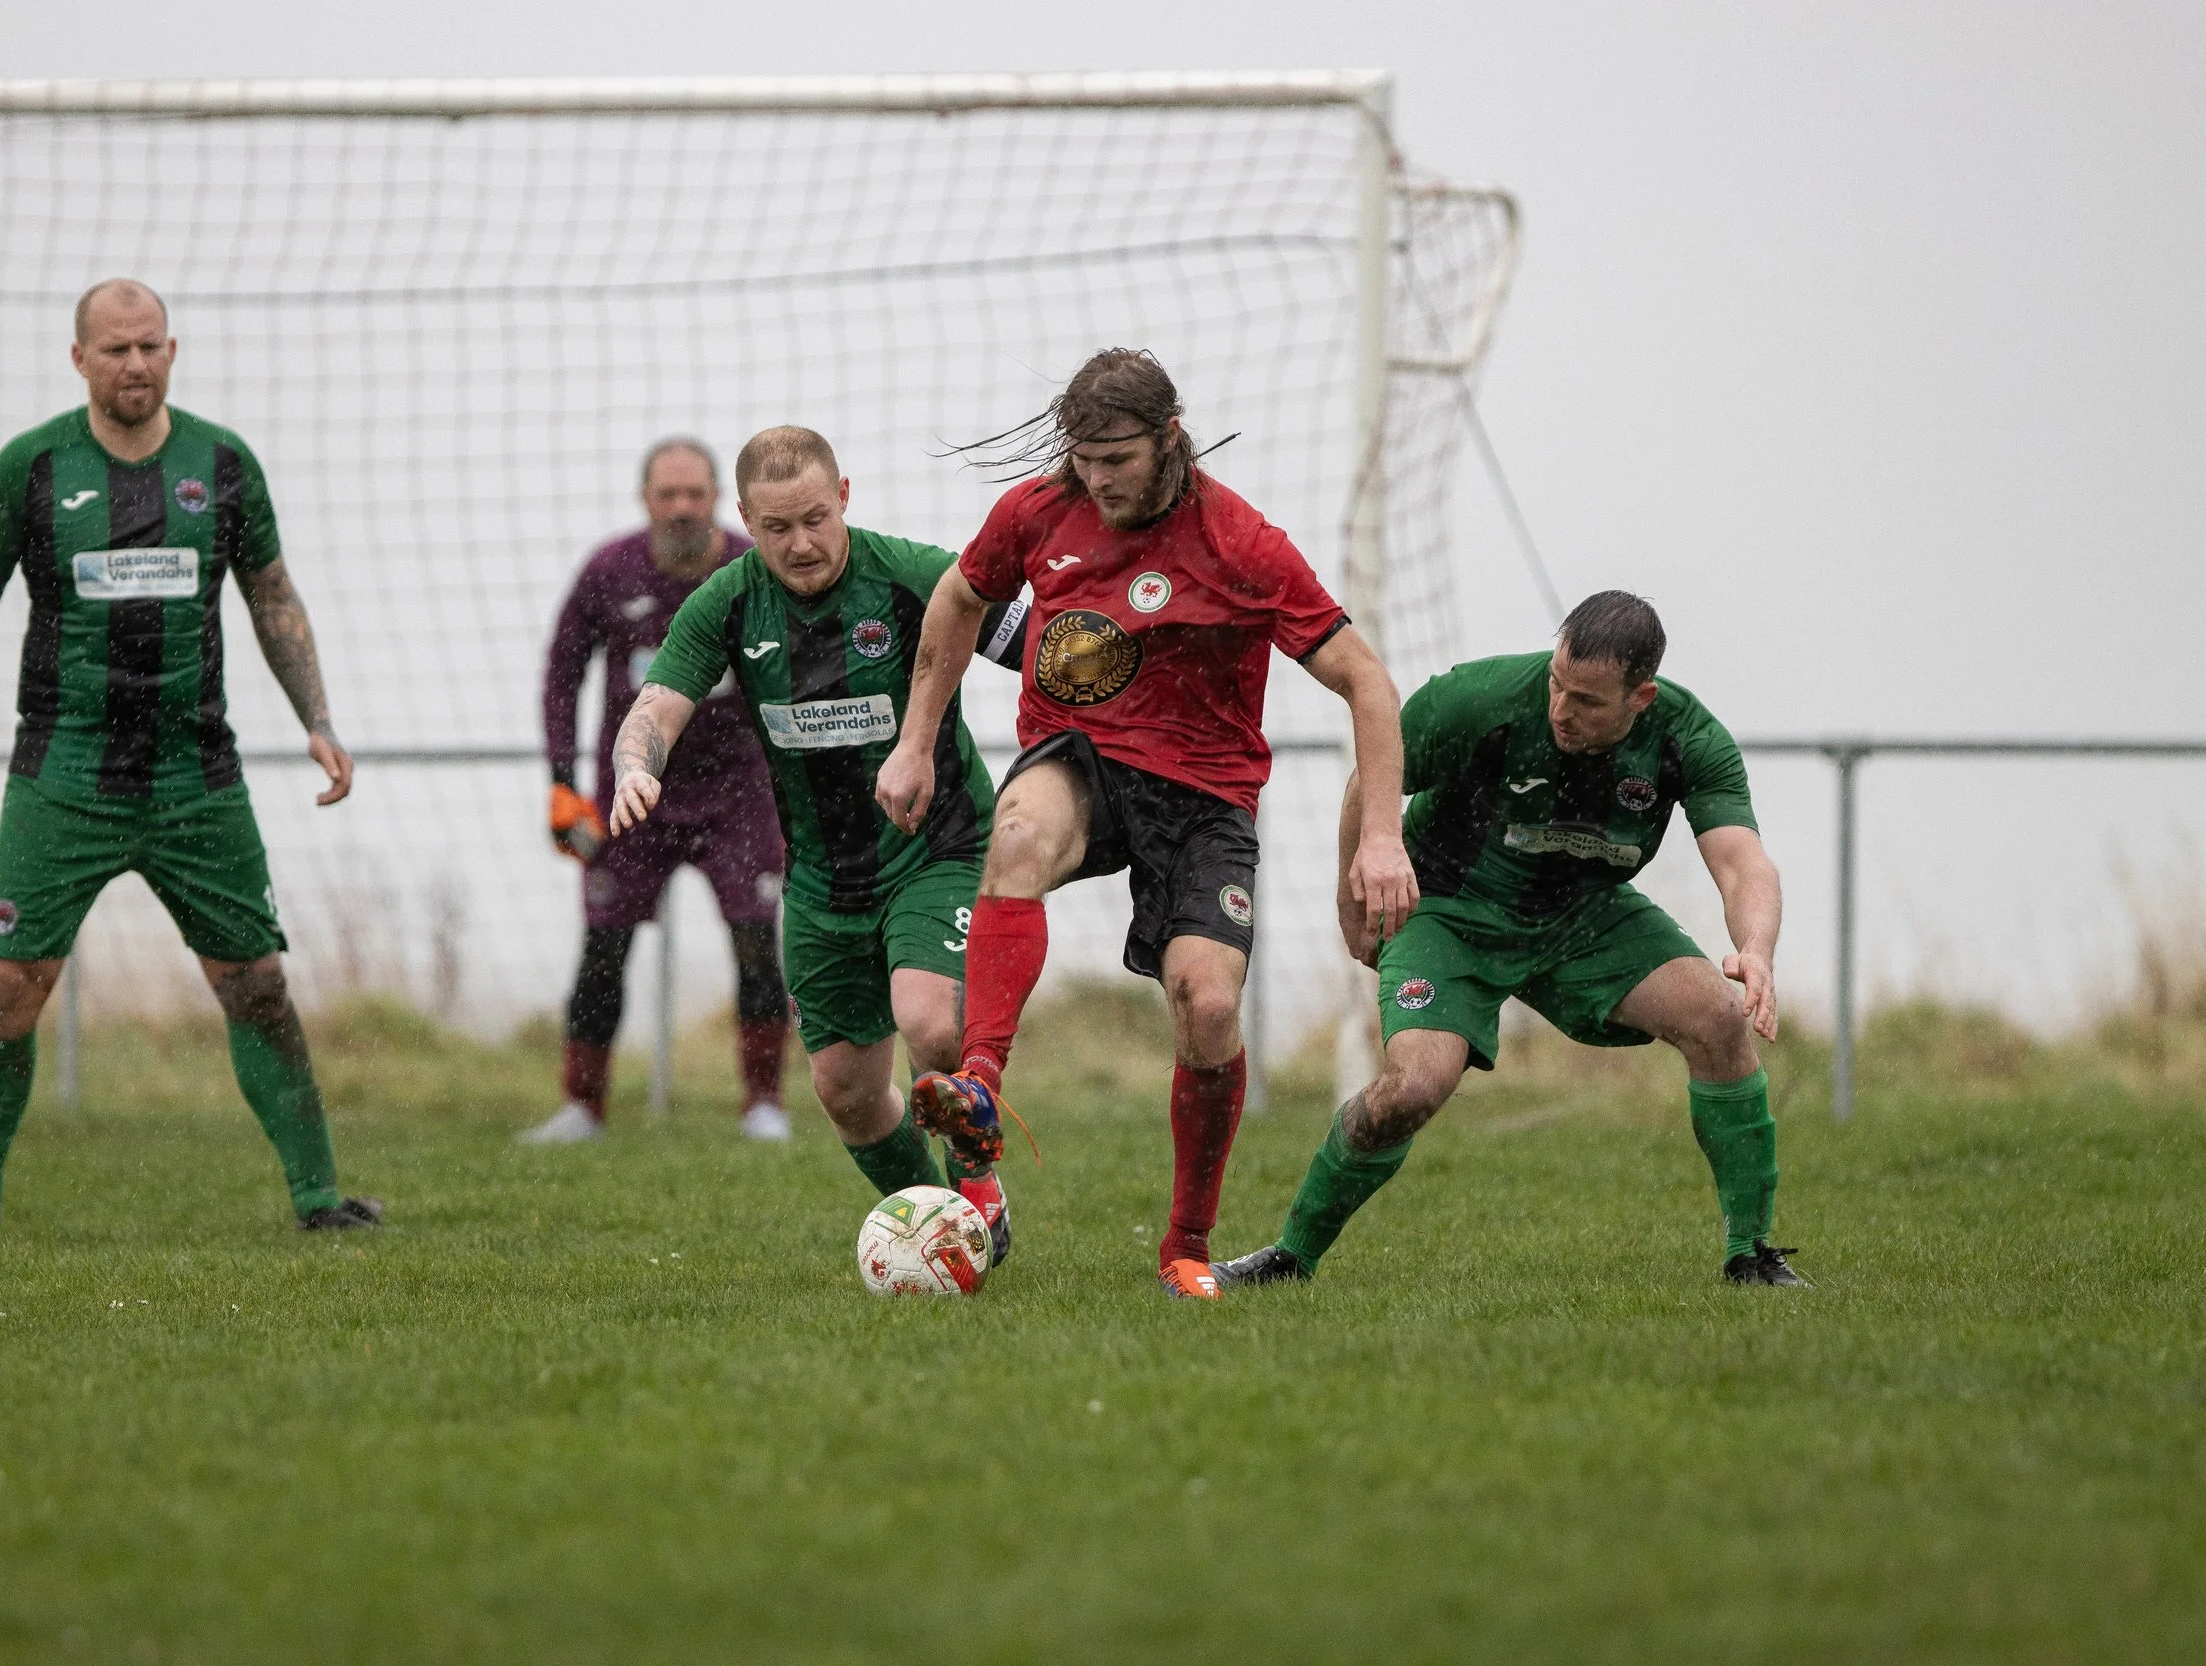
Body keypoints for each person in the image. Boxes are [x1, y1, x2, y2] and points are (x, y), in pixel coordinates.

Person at [877, 348, 1420, 1299]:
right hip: (1080, 757)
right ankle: (981, 1085)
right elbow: (961, 597)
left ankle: (1186, 1243)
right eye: (1082, 458)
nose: (1097, 479)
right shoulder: (1038, 513)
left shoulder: (1243, 542)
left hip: (1204, 793)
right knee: (1017, 838)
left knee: (1208, 1008)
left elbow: (1367, 681)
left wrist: (1381, 836)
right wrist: (917, 740)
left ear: (1169, 437)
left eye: (1116, 458)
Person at [0, 278, 379, 1237]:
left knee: (256, 985)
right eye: (115, 350)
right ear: (80, 360)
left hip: (198, 778)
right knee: (9, 988)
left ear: (173, 350)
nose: (135, 364)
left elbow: (272, 596)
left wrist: (317, 718)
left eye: (149, 345)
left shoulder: (223, 462)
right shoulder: (30, 468)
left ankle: (322, 1201)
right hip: (62, 776)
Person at [1213, 591, 1807, 1289]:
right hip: (1450, 910)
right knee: (1413, 1089)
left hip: (1584, 915)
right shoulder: (1477, 701)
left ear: (1639, 697)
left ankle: (1752, 1257)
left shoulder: (1687, 738)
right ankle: (1290, 1257)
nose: (1561, 709)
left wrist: (1757, 950)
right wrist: (1352, 896)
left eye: (1587, 700)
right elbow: (1370, 781)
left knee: (1719, 1017)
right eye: (1557, 684)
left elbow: (1743, 863)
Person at [608, 425, 1032, 1258]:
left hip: (936, 846)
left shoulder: (912, 574)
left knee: (930, 1021)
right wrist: (635, 767)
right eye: (776, 528)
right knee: (843, 1088)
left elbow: (1042, 644)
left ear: (844, 497)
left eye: (813, 518)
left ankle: (979, 1181)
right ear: (746, 521)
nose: (800, 544)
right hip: (821, 878)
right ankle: (939, 1223)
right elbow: (654, 709)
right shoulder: (727, 601)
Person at [525, 439, 793, 1145]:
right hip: (633, 792)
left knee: (757, 945)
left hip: (740, 793)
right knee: (604, 947)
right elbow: (561, 675)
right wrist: (561, 784)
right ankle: (582, 1107)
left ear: (719, 500)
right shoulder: (608, 572)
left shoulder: (755, 568)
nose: (682, 508)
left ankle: (764, 1103)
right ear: (645, 499)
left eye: (695, 494)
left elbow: (804, 670)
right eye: (668, 494)